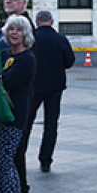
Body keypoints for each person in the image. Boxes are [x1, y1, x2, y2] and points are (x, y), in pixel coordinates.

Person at [0, 15, 36, 193]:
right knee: (8, 161)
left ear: (25, 34)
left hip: (13, 116)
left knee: (5, 162)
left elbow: (6, 81)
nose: (14, 33)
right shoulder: (8, 54)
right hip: (4, 114)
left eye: (18, 30)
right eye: (10, 29)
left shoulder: (27, 59)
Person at [24, 10, 76, 175]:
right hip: (55, 87)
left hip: (34, 87)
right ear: (52, 21)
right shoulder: (60, 39)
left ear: (37, 22)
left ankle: (20, 153)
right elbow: (69, 62)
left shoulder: (32, 39)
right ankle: (46, 159)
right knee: (51, 123)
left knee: (26, 122)